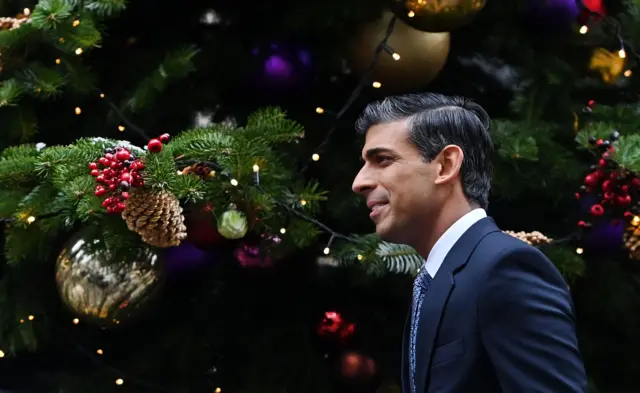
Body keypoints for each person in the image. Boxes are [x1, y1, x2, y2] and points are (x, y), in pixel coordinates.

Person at [351, 93, 587, 393]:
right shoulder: (436, 279)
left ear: (446, 165)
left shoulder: (506, 269)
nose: (359, 182)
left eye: (382, 160)